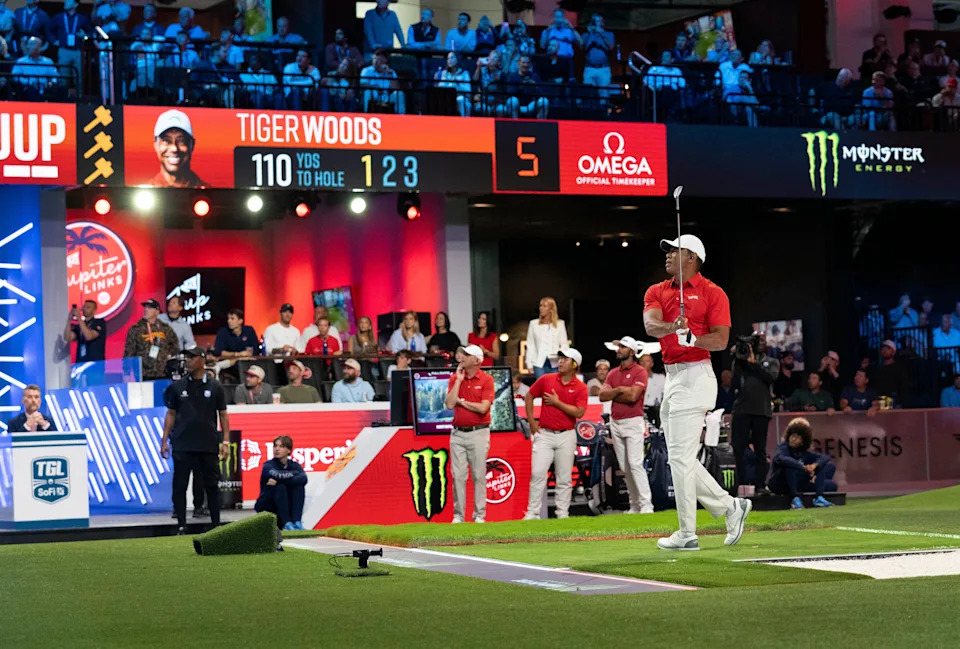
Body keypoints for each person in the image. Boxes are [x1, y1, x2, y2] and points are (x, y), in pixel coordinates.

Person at [643, 234, 750, 551]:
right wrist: (673, 328)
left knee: (679, 457)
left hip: (697, 375)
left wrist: (692, 338)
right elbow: (651, 325)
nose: (667, 256)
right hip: (671, 379)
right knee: (681, 458)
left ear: (691, 256)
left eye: (673, 251)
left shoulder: (713, 293)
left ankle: (688, 532)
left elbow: (720, 341)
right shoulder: (657, 290)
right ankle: (731, 507)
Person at [160, 347, 230, 535]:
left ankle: (216, 524)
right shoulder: (177, 387)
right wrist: (164, 440)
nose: (188, 361)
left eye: (192, 358)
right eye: (187, 358)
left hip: (207, 444)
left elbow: (223, 415)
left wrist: (225, 442)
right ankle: (182, 525)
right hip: (182, 444)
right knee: (180, 485)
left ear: (202, 359)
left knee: (212, 485)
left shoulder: (215, 387)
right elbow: (171, 413)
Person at [523, 349, 587, 520]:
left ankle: (562, 514)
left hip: (567, 435)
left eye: (565, 359)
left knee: (564, 478)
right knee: (537, 473)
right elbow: (529, 396)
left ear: (575, 364)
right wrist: (531, 422)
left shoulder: (581, 388)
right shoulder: (546, 379)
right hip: (545, 433)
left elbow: (579, 413)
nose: (560, 362)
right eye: (560, 358)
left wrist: (558, 403)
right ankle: (532, 512)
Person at [599, 337, 654, 514]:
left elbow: (633, 396)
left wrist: (614, 393)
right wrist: (620, 390)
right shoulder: (613, 373)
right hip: (616, 422)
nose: (619, 350)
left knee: (635, 464)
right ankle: (634, 504)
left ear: (631, 352)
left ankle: (646, 505)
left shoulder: (640, 372)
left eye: (622, 347)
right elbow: (602, 395)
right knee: (625, 467)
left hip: (633, 421)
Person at [444, 344, 494, 524]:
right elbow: (450, 404)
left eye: (467, 354)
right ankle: (458, 515)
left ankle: (479, 515)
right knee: (458, 475)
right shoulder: (454, 378)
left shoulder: (487, 380)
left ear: (477, 361)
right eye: (463, 353)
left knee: (479, 475)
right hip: (457, 433)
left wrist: (462, 403)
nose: (462, 357)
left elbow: (483, 408)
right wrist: (458, 381)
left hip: (479, 433)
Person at [731, 332, 778, 494]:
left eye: (763, 340)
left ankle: (760, 484)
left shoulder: (772, 362)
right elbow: (735, 378)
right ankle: (739, 483)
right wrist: (738, 356)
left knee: (760, 450)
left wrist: (755, 364)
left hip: (761, 410)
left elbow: (771, 378)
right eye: (757, 340)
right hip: (741, 409)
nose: (760, 343)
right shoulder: (742, 361)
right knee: (738, 448)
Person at [768, 417, 836, 509]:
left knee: (831, 483)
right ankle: (795, 499)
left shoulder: (803, 451)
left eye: (798, 437)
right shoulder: (783, 448)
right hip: (780, 484)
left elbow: (824, 457)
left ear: (803, 441)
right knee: (789, 465)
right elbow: (782, 459)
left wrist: (814, 466)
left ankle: (819, 498)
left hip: (798, 483)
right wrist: (803, 467)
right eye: (793, 436)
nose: (793, 439)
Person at [255, 435, 307, 530]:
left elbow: (303, 479)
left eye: (281, 446)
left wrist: (280, 480)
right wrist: (292, 476)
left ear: (289, 450)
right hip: (268, 505)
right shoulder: (268, 465)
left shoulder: (295, 466)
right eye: (275, 446)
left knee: (299, 487)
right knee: (280, 487)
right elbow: (276, 474)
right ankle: (286, 523)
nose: (277, 449)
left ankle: (297, 522)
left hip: (287, 503)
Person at [123, 299, 180, 380]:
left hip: (163, 373)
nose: (146, 310)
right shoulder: (136, 329)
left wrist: (168, 358)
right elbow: (129, 352)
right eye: (145, 307)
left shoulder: (165, 328)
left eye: (150, 308)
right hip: (143, 373)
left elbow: (175, 346)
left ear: (157, 311)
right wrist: (126, 373)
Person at [150, 109, 206, 188]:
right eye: (166, 140)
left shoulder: (206, 192)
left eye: (181, 141)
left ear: (192, 144)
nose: (174, 148)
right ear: (156, 145)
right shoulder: (146, 190)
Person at [525, 296, 569, 378]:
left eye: (544, 306)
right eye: (540, 306)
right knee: (542, 386)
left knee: (554, 386)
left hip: (555, 362)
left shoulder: (560, 324)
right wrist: (529, 364)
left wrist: (562, 359)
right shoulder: (533, 324)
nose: (541, 308)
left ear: (551, 309)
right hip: (538, 362)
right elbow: (531, 345)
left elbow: (564, 344)